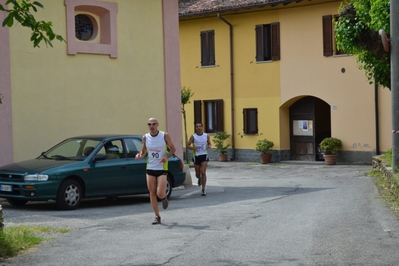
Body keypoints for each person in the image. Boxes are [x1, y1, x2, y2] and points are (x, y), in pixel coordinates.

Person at [135, 118, 176, 225]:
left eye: (153, 124)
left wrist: (166, 157)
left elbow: (173, 149)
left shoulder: (164, 135)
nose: (151, 126)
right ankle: (157, 216)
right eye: (149, 124)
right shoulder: (145, 137)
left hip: (162, 168)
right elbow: (143, 151)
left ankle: (163, 198)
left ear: (157, 125)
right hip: (150, 167)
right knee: (152, 193)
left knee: (160, 192)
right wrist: (140, 155)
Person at [187, 122, 211, 196]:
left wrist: (209, 146)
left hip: (204, 155)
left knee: (203, 172)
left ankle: (203, 189)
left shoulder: (206, 135)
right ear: (195, 128)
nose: (198, 128)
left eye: (200, 126)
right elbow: (188, 145)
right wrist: (193, 148)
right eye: (197, 126)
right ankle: (199, 178)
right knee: (197, 174)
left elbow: (209, 143)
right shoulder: (193, 137)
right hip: (196, 156)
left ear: (202, 127)